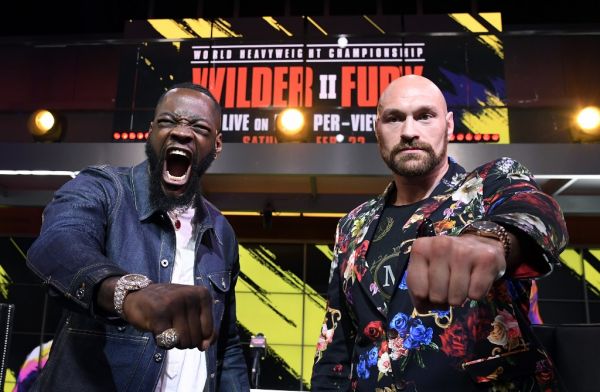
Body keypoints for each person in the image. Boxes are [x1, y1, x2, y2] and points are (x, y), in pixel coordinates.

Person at [311, 75, 569, 391]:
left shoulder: (489, 183)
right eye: (394, 118)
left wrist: (490, 239)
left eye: (424, 116)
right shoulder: (353, 223)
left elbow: (538, 212)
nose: (408, 131)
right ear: (377, 129)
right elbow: (335, 344)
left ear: (448, 125)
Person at [26, 82, 250, 391]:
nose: (181, 132)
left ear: (217, 145)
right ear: (151, 131)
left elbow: (227, 345)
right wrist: (124, 295)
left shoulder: (222, 231)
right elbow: (57, 245)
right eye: (168, 122)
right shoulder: (103, 188)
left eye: (199, 127)